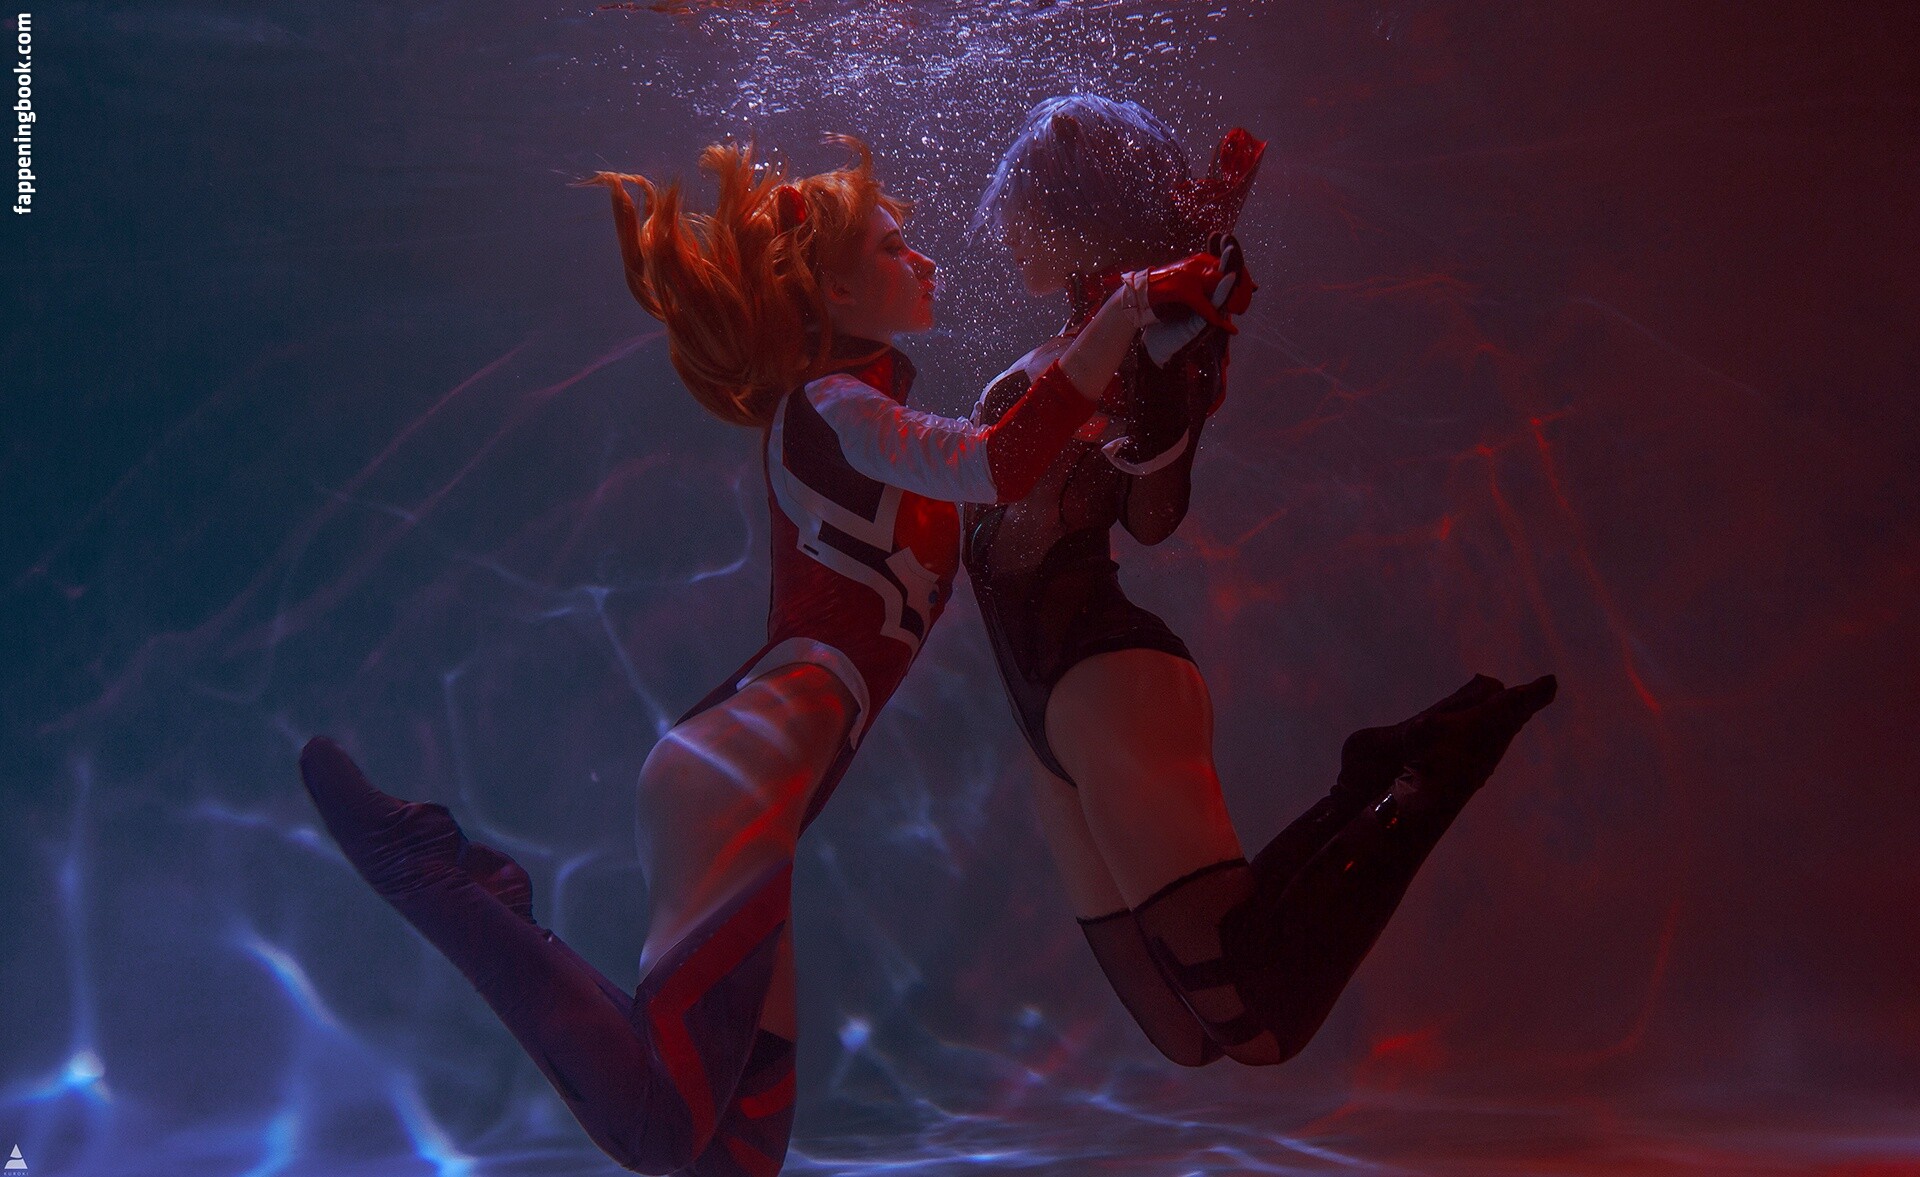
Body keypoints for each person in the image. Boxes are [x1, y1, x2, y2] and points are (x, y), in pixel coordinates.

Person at [295, 134, 1247, 1176]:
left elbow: (1054, 441)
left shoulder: (865, 410)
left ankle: (493, 912)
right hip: (733, 782)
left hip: (751, 790)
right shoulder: (830, 407)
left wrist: (1180, 273)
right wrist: (1129, 305)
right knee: (661, 1133)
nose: (926, 260)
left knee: (736, 1154)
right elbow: (1000, 462)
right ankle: (440, 881)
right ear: (831, 289)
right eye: (892, 248)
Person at [964, 95, 1557, 1068]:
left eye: (1022, 205)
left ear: (1080, 216)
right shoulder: (1084, 351)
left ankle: (1423, 775)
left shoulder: (1136, 361)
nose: (1002, 227)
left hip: (1106, 687)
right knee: (1184, 1035)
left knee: (1256, 1023)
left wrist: (1174, 386)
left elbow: (1154, 518)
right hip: (1049, 716)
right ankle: (1374, 771)